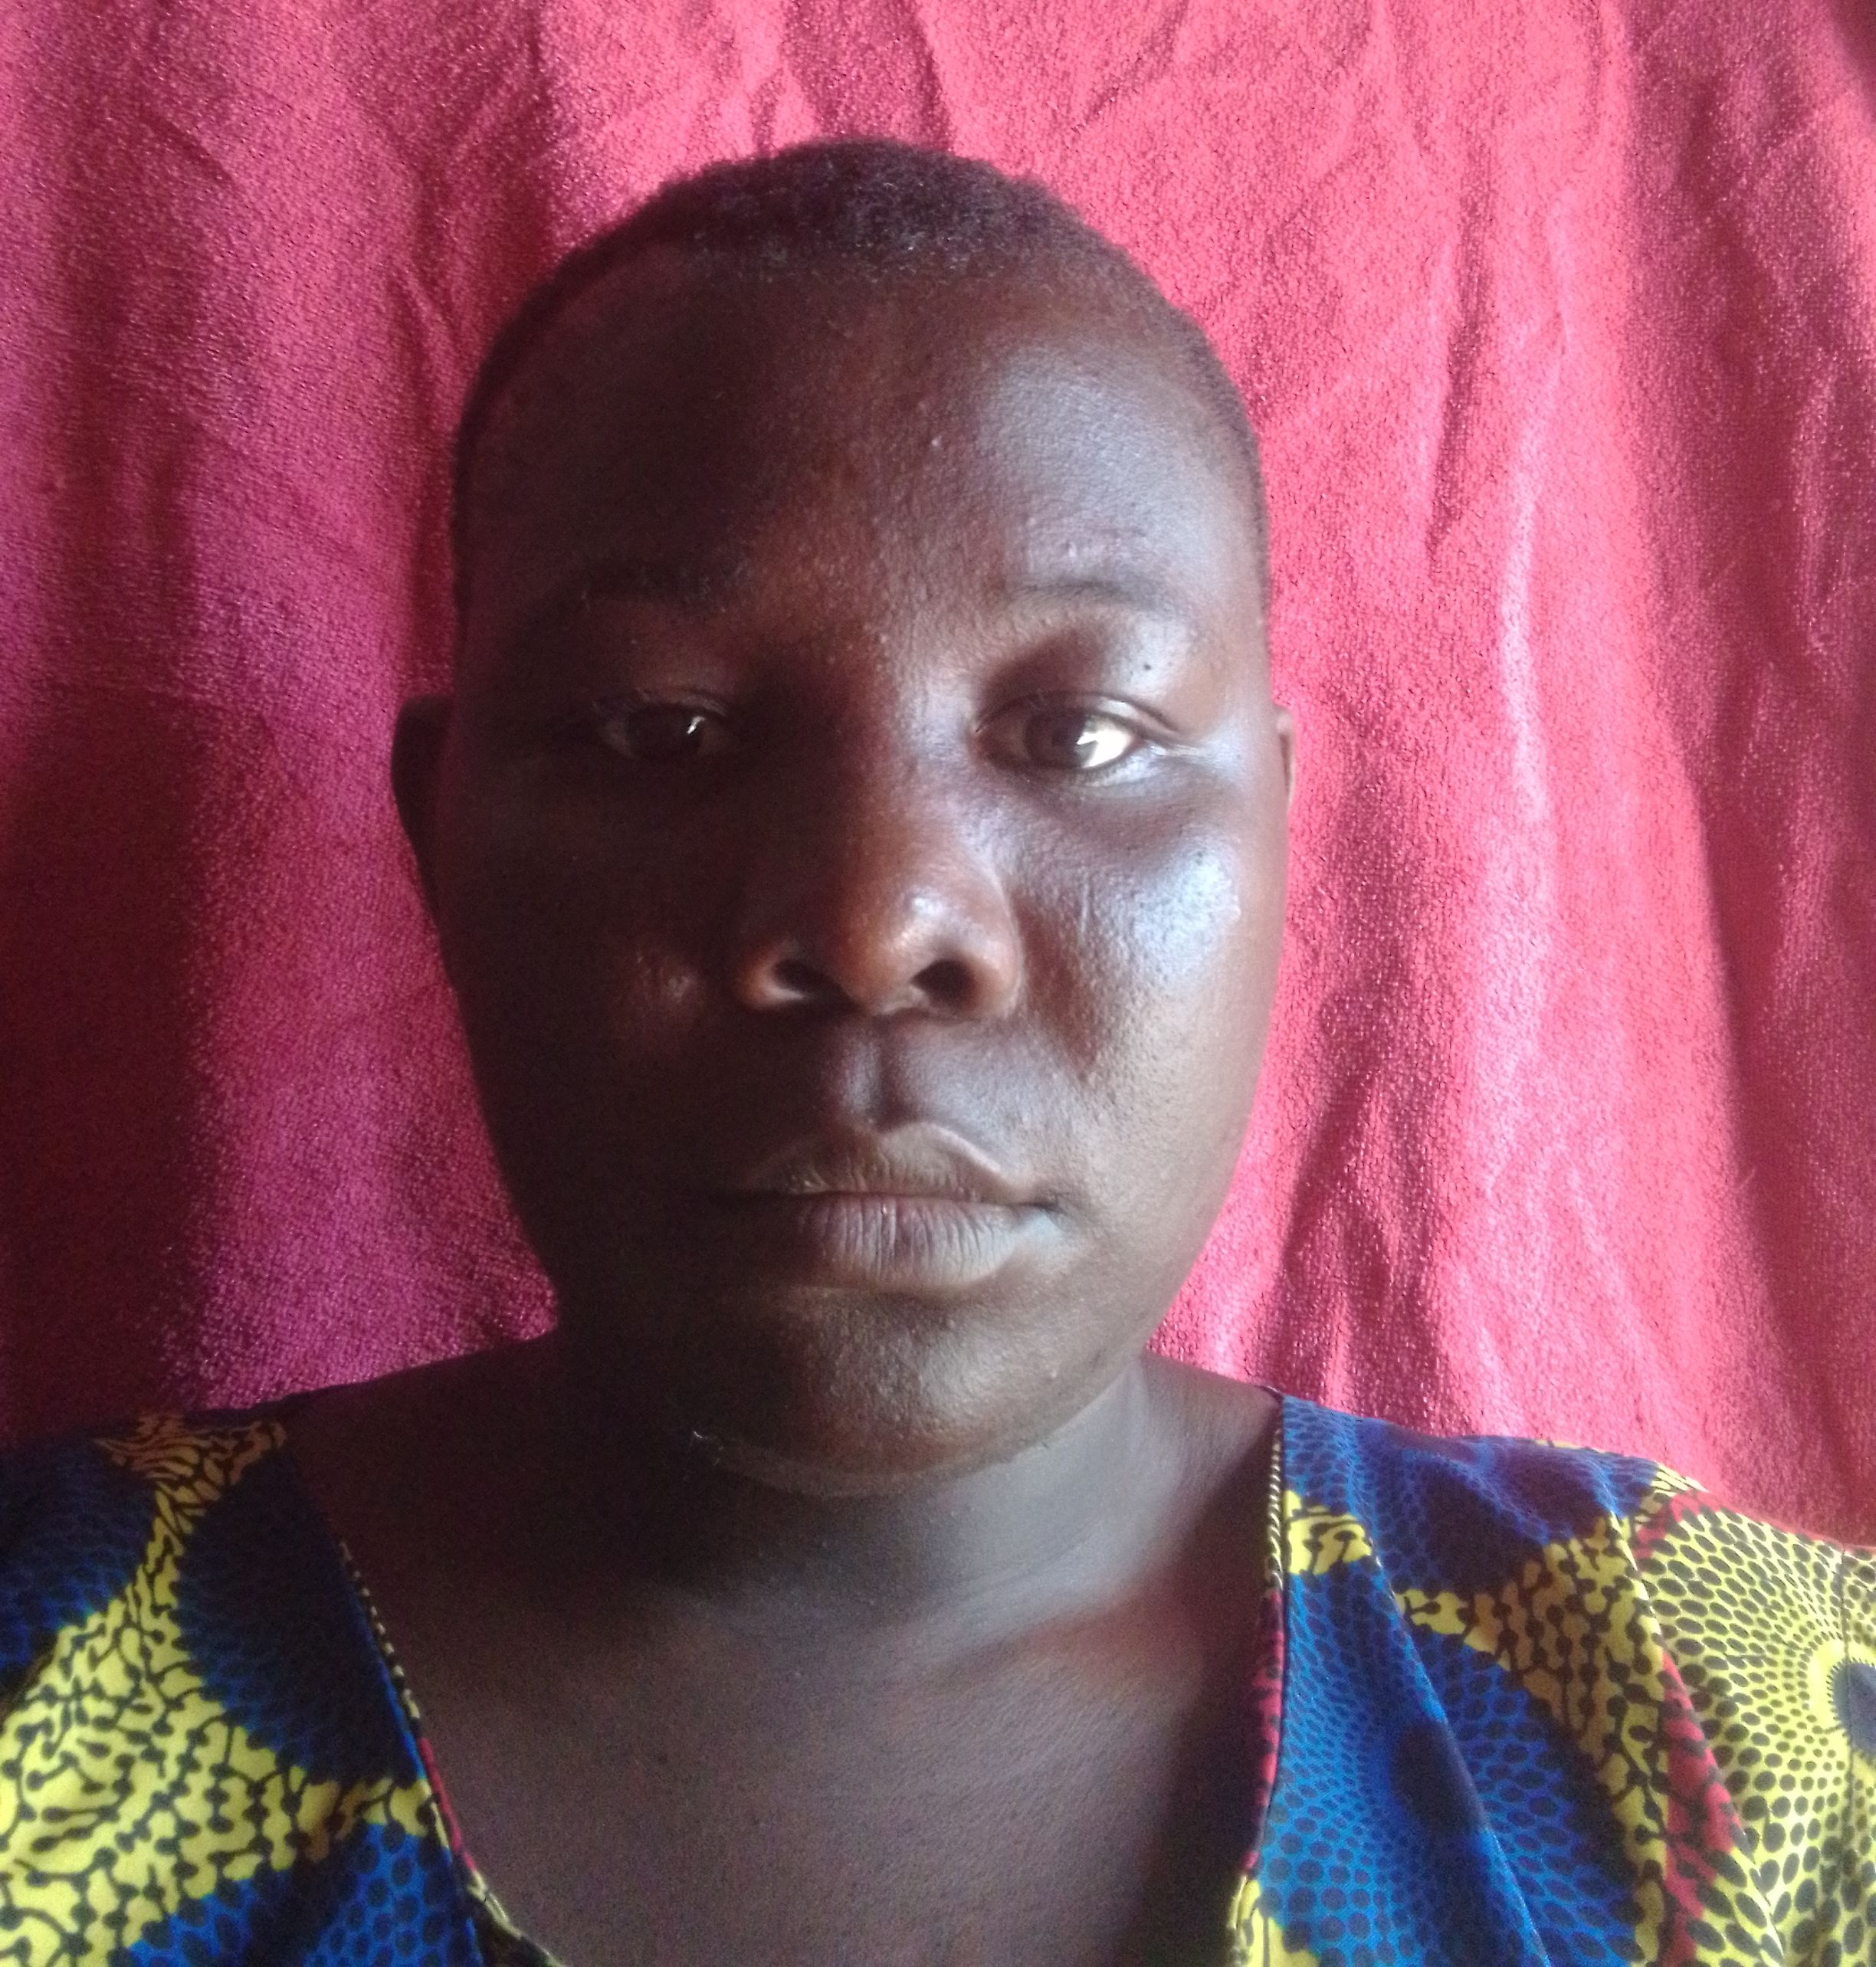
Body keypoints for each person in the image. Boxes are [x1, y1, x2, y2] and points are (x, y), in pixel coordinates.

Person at [0, 137, 1869, 1967]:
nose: (880, 918)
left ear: (1279, 841)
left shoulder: (1748, 1733)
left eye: (1085, 736)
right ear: (438, 840)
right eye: (660, 731)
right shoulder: (40, 1682)